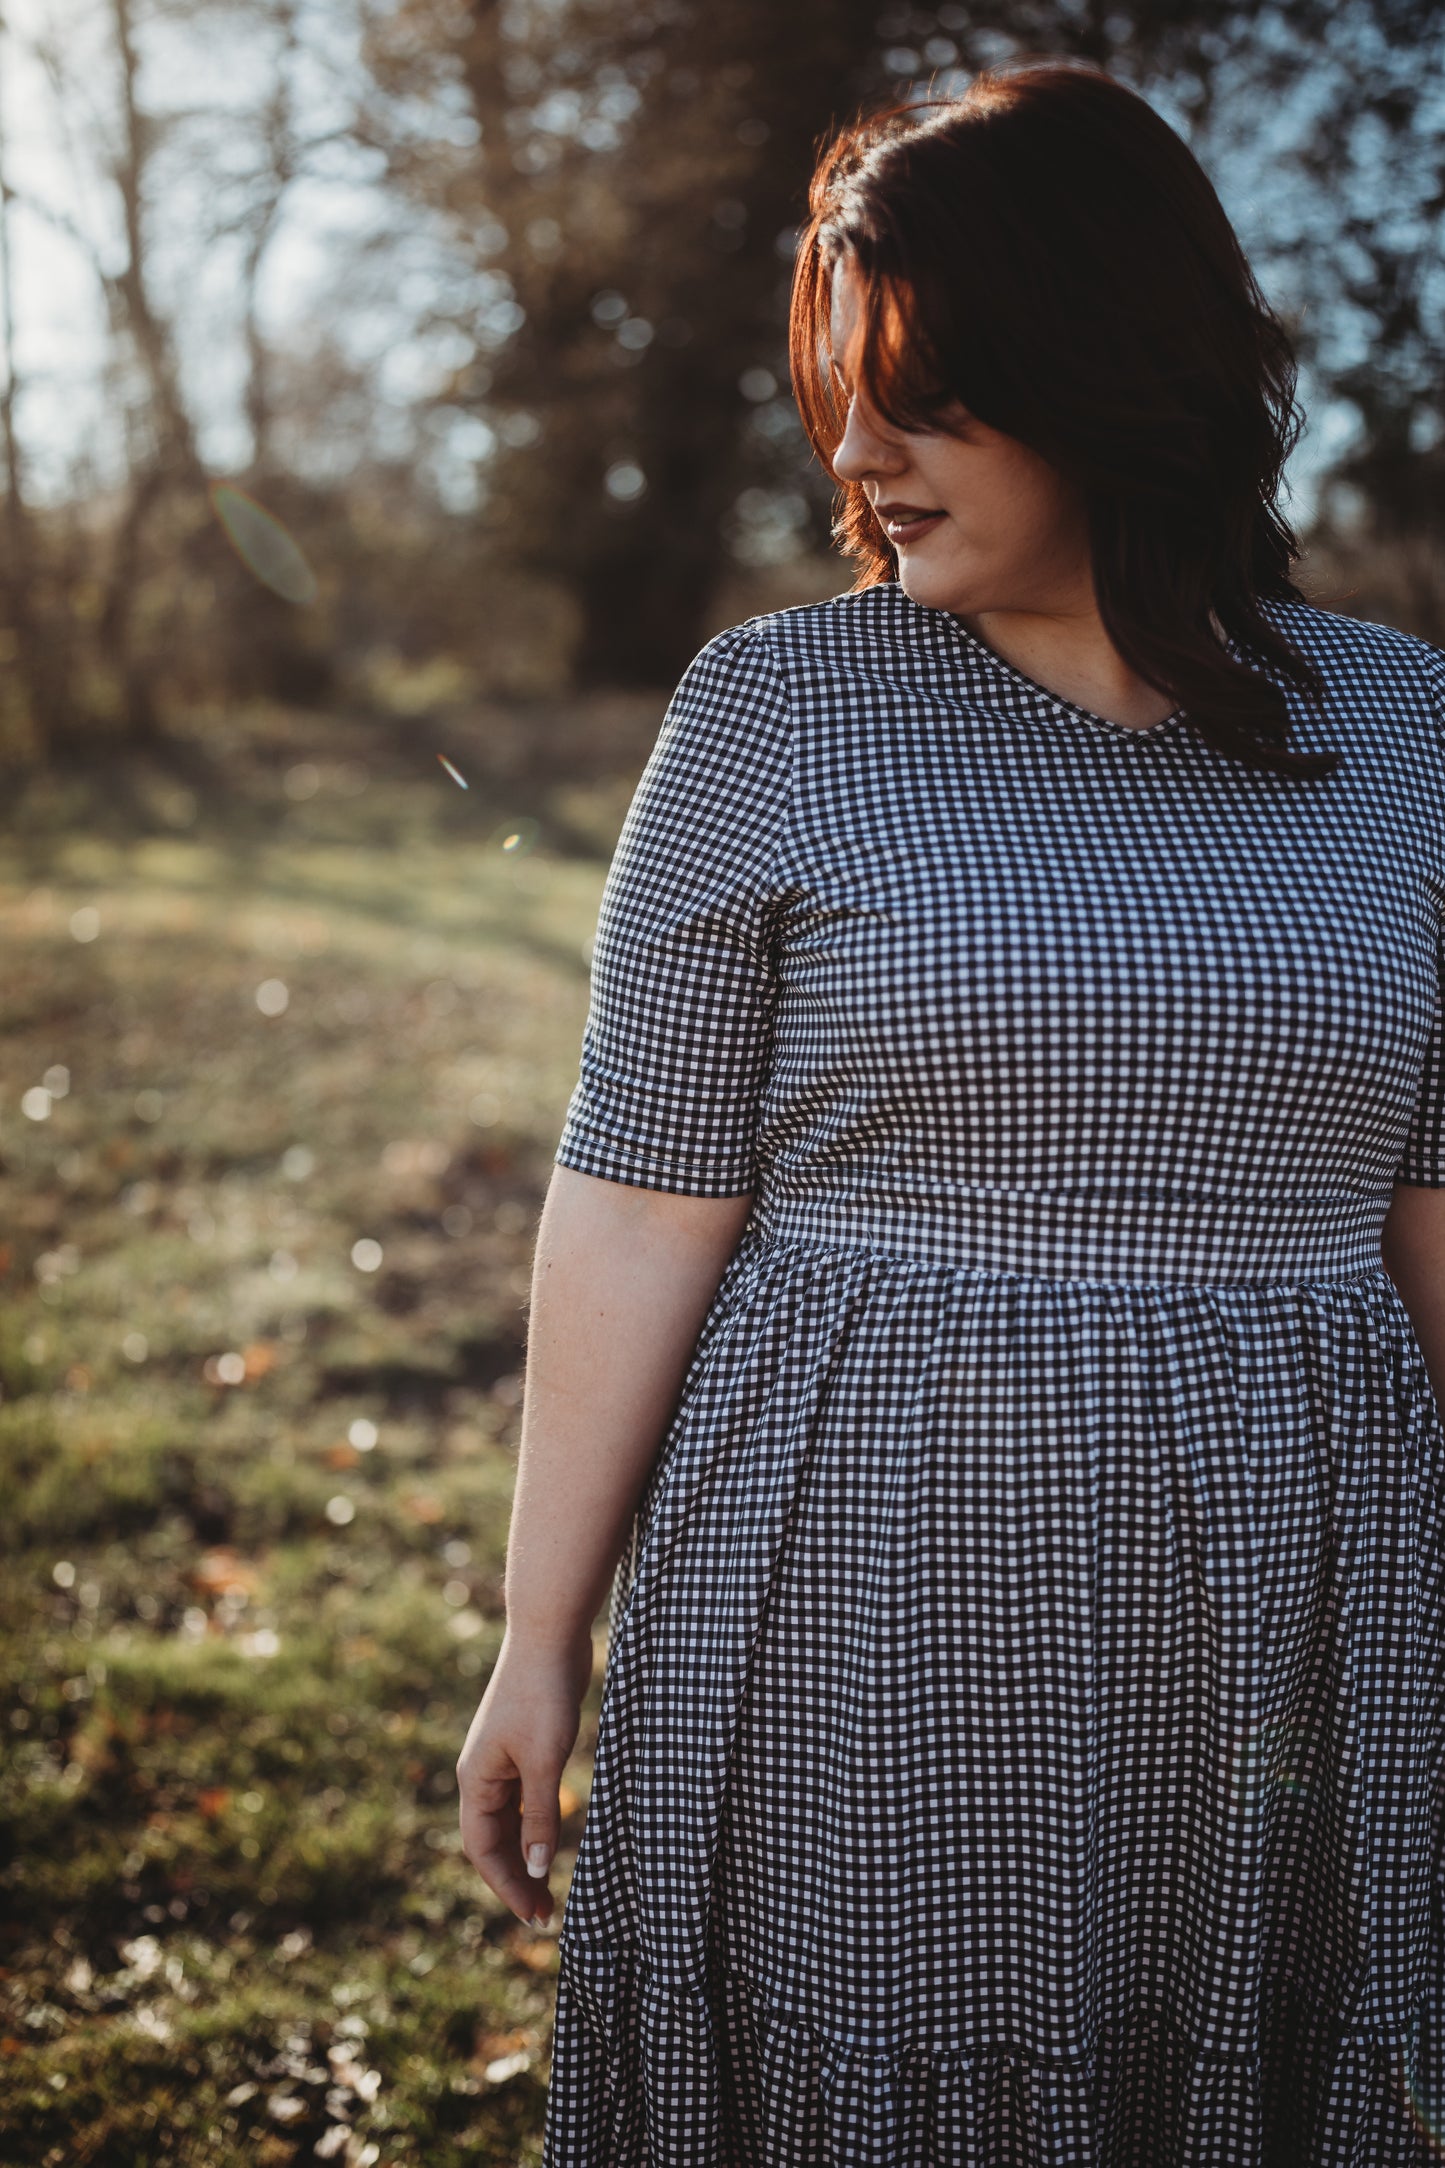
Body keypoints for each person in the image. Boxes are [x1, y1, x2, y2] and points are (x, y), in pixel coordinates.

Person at [458, 56, 1445, 2166]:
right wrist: (541, 1639)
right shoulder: (777, 715)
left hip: (1292, 1602)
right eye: (837, 384)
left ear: (1103, 365)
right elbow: (635, 1206)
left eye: (924, 389)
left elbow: (1441, 1208)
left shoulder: (1411, 730)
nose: (859, 449)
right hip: (864, 1583)